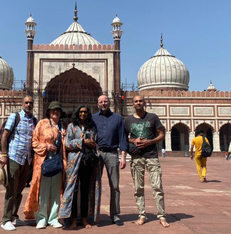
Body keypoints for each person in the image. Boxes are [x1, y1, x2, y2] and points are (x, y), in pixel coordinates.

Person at [125, 95, 169, 227]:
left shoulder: (153, 117)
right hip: (137, 157)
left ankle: (161, 216)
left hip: (152, 156)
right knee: (138, 188)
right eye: (136, 101)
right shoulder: (128, 120)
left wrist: (150, 141)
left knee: (157, 187)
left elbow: (162, 134)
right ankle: (142, 214)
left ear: (144, 103)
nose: (138, 103)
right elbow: (123, 137)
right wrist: (134, 140)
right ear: (132, 104)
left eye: (140, 101)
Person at [24, 101, 66, 230]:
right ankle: (41, 218)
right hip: (44, 162)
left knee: (56, 191)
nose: (55, 112)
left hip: (58, 162)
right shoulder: (41, 124)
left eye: (58, 110)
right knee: (42, 191)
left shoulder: (63, 126)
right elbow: (34, 142)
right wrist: (46, 146)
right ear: (48, 112)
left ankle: (53, 218)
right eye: (53, 110)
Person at [60, 105, 102, 229]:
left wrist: (93, 144)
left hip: (87, 162)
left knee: (85, 190)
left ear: (88, 114)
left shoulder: (92, 127)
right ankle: (73, 219)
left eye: (85, 112)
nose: (83, 114)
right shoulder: (71, 127)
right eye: (81, 112)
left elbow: (97, 142)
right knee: (73, 190)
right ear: (77, 113)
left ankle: (84, 219)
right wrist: (82, 142)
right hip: (74, 163)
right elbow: (67, 144)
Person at [0, 96, 38, 231]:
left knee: (19, 190)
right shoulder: (15, 117)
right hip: (14, 157)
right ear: (22, 104)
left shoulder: (34, 120)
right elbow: (5, 136)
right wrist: (4, 155)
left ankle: (14, 217)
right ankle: (5, 220)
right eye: (26, 102)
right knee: (11, 189)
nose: (28, 104)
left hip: (26, 159)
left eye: (31, 103)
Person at [92, 95, 128, 227]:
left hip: (112, 154)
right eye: (101, 102)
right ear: (97, 104)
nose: (103, 104)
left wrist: (123, 156)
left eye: (105, 101)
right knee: (94, 185)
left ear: (109, 102)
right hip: (97, 154)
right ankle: (93, 214)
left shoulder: (117, 118)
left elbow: (122, 138)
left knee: (115, 186)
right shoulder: (93, 118)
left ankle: (115, 215)